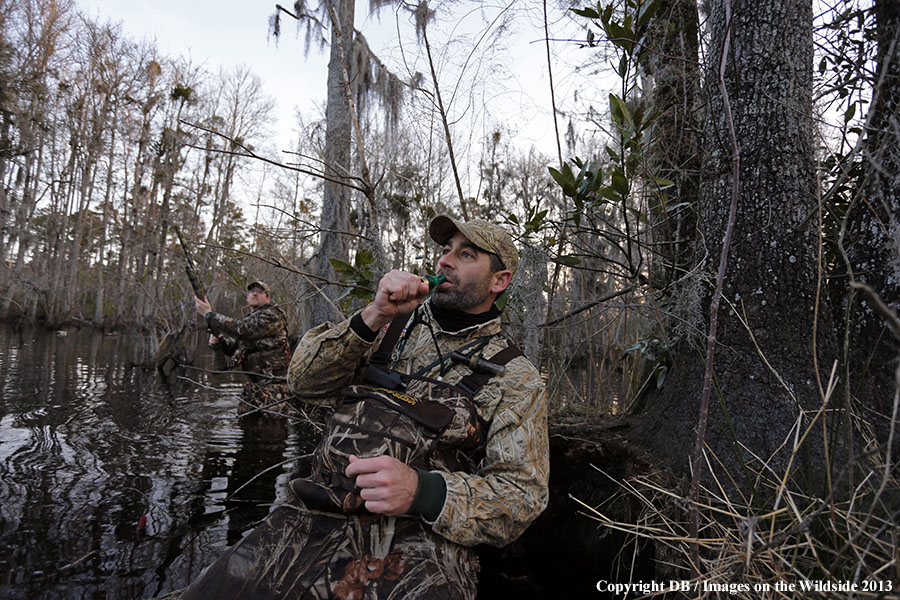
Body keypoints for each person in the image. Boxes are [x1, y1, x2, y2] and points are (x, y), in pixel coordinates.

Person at [181, 216, 549, 599]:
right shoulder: (391, 325)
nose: (444, 261)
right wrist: (373, 315)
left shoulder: (515, 376)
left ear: (499, 281)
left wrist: (423, 491)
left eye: (466, 254)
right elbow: (303, 382)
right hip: (310, 517)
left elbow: (521, 495)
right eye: (445, 250)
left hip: (415, 541)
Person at [195, 280, 292, 412]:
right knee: (246, 425)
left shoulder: (273, 315)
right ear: (247, 298)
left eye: (260, 291)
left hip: (274, 387)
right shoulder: (251, 319)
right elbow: (236, 348)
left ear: (267, 297)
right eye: (251, 291)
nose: (255, 294)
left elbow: (243, 330)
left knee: (273, 427)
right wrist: (221, 342)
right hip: (254, 387)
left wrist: (210, 315)